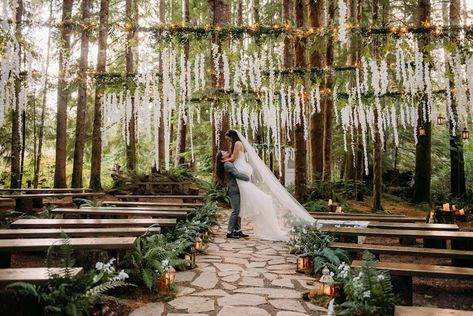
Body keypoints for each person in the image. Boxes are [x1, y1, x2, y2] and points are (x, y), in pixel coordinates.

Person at [221, 130, 369, 241]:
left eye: (227, 138)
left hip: (241, 174)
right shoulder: (235, 147)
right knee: (241, 206)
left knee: (247, 204)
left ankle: (237, 230)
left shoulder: (237, 144)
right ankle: (236, 230)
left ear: (232, 135)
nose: (227, 141)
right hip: (239, 178)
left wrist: (224, 160)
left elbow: (234, 158)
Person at [215, 151, 251, 239]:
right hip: (234, 189)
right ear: (222, 158)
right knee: (236, 210)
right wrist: (247, 178)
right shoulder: (227, 164)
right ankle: (229, 232)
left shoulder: (228, 163)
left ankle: (237, 230)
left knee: (239, 210)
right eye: (223, 152)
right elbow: (236, 174)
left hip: (236, 188)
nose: (226, 151)